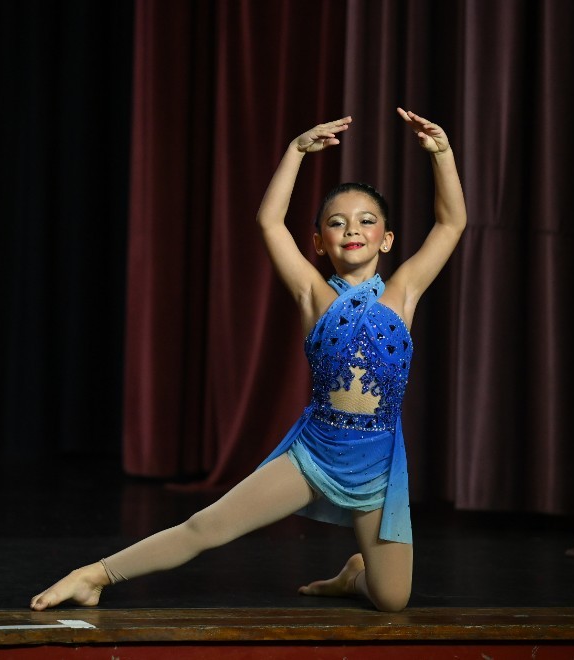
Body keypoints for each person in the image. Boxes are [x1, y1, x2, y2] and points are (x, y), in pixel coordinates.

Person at [30, 108, 466, 613]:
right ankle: (94, 575)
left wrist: (442, 155)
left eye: (367, 221)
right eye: (337, 222)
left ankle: (355, 576)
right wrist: (296, 152)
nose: (353, 229)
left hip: (378, 465)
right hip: (315, 453)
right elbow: (269, 221)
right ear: (318, 242)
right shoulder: (312, 294)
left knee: (391, 599)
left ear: (386, 239)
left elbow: (451, 222)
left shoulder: (403, 293)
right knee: (206, 526)